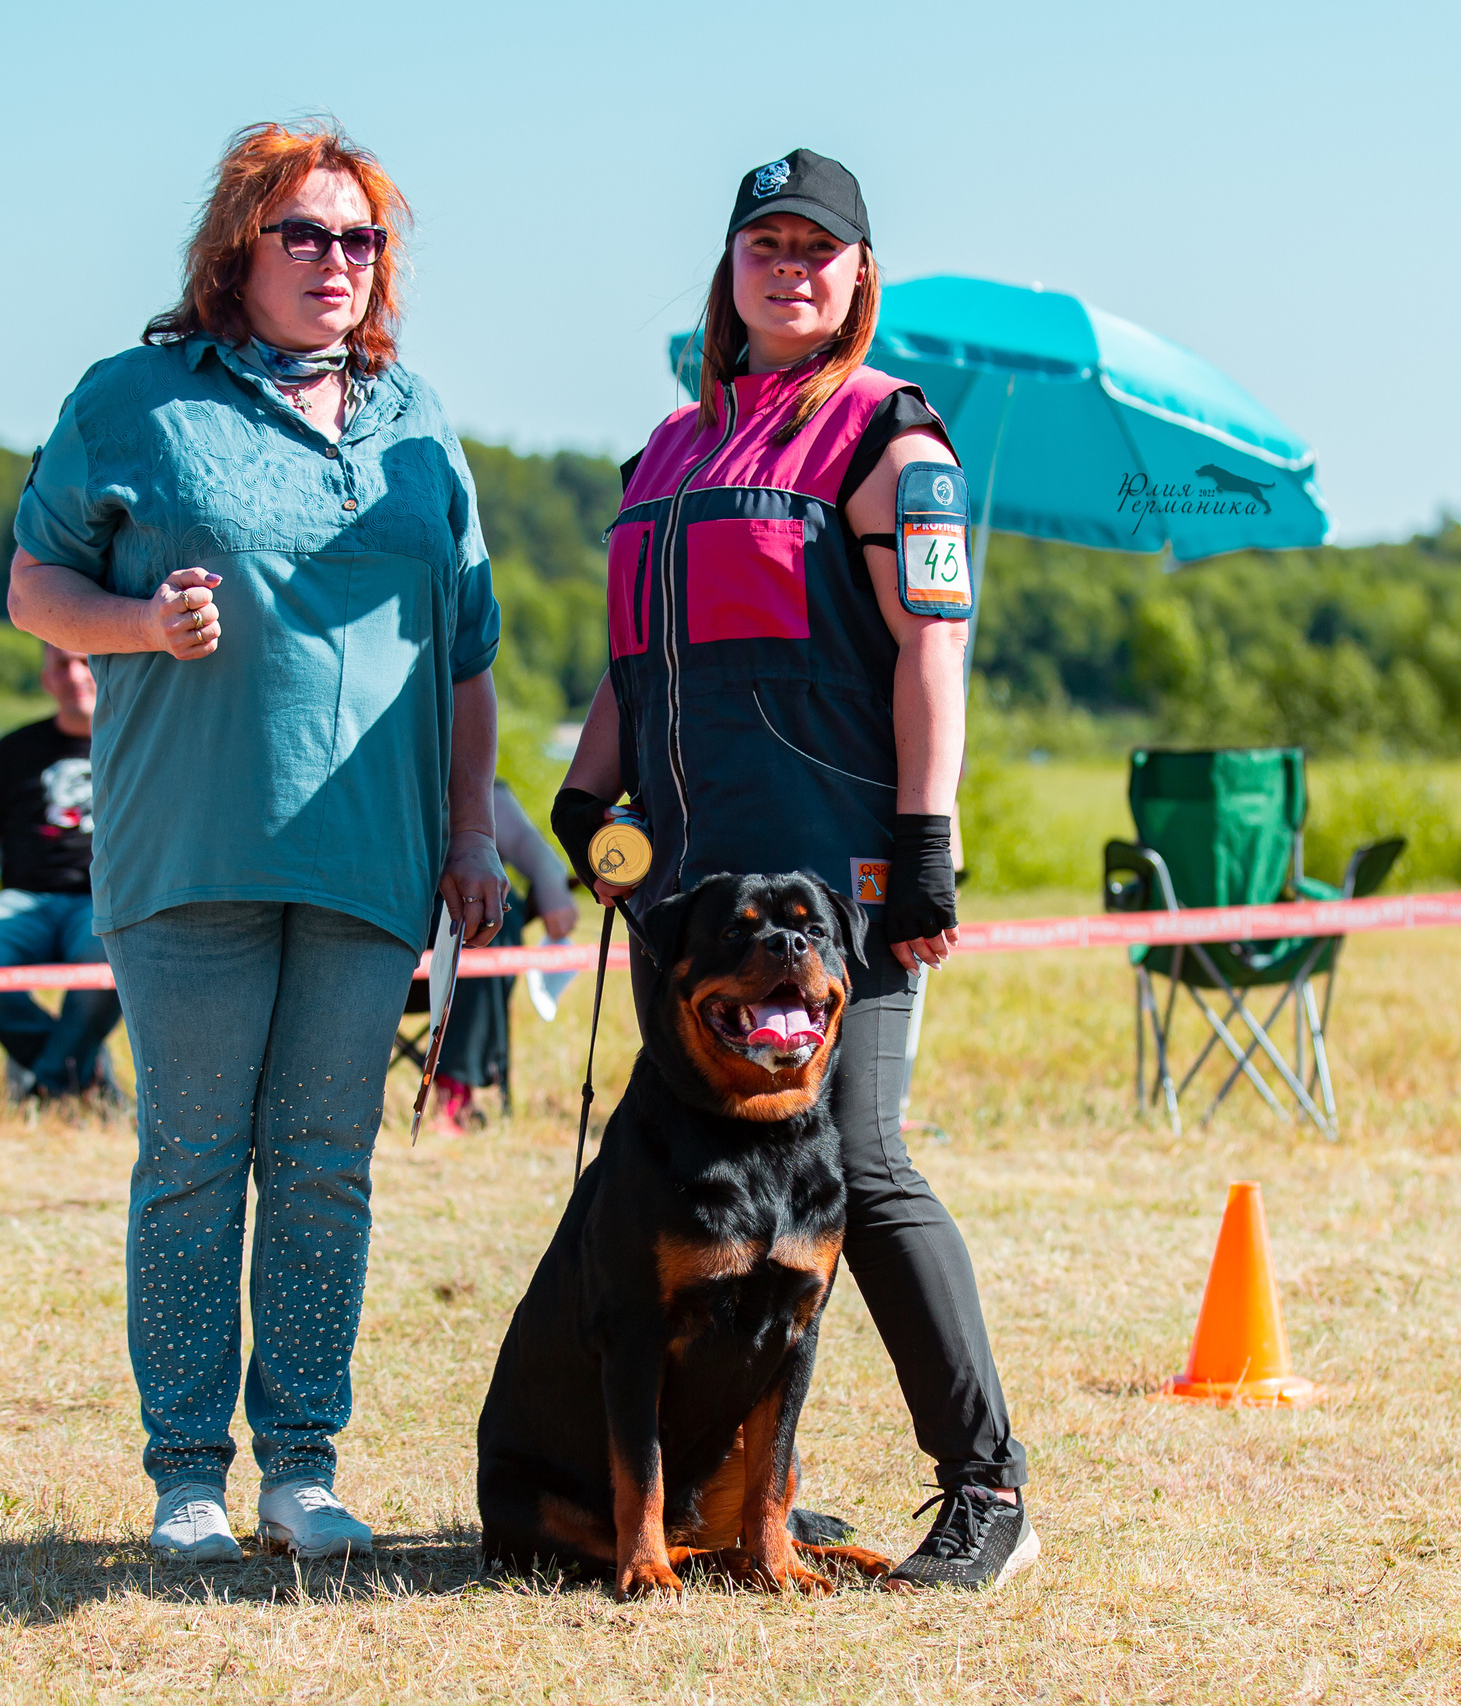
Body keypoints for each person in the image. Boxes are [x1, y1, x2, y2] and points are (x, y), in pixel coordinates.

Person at [5, 121, 504, 1565]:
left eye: (361, 240)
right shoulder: (133, 400)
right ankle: (185, 1477)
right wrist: (137, 625)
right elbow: (37, 583)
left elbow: (467, 652)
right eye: (307, 235)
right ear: (238, 250)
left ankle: (301, 1464)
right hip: (192, 850)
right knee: (192, 1159)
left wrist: (470, 828)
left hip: (370, 861)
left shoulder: (419, 424)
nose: (338, 262)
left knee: (326, 1164)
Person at [552, 150, 1035, 1592]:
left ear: (858, 276)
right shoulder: (668, 450)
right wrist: (586, 794)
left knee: (862, 1163)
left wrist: (926, 841)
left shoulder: (892, 440)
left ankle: (988, 1488)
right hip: (688, 899)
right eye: (765, 243)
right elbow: (637, 658)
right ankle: (745, 1488)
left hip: (838, 889)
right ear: (730, 268)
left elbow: (935, 652)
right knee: (687, 1185)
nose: (790, 266)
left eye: (819, 248)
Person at [0, 642, 123, 1101]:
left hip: (107, 901)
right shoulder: (14, 750)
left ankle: (51, 1084)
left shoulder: (139, 743)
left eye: (85, 662)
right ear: (46, 680)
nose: (75, 675)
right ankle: (76, 1074)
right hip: (24, 900)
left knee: (115, 964)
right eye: (61, 665)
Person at [424, 781, 577, 1131]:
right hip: (385, 933)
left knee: (488, 918)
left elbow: (521, 836)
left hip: (456, 941)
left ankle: (454, 1095)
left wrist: (551, 882)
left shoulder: (459, 768)